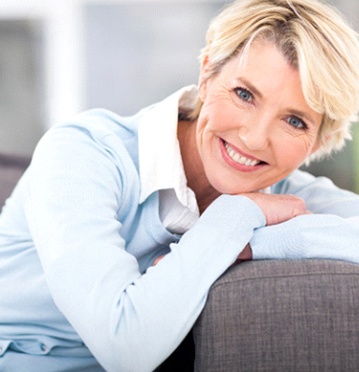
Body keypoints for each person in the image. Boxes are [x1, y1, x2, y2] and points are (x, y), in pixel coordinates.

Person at [1, 0, 359, 370]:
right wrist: (233, 216)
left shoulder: (285, 196)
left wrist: (258, 243)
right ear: (206, 74)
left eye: (295, 121)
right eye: (244, 94)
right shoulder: (83, 151)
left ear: (317, 142)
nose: (254, 139)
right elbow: (124, 348)